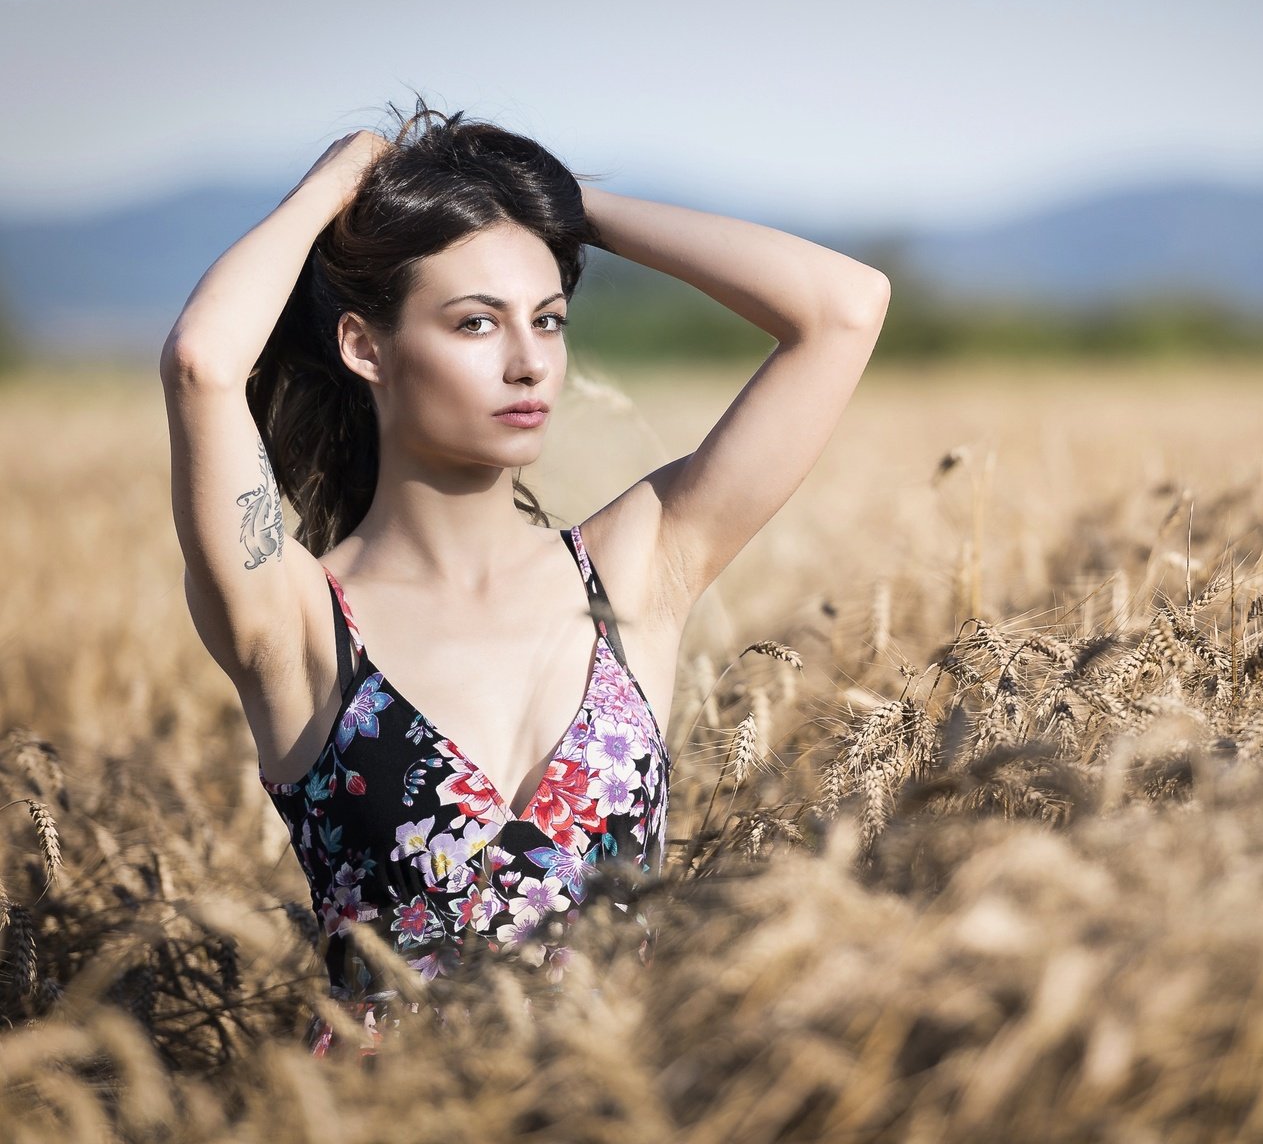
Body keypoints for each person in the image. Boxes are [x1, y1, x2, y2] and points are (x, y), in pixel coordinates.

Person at [158, 99, 890, 1055]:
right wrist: (340, 182)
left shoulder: (636, 568)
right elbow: (202, 362)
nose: (530, 363)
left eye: (548, 320)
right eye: (475, 324)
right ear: (364, 346)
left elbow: (843, 308)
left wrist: (545, 199)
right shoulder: (292, 624)